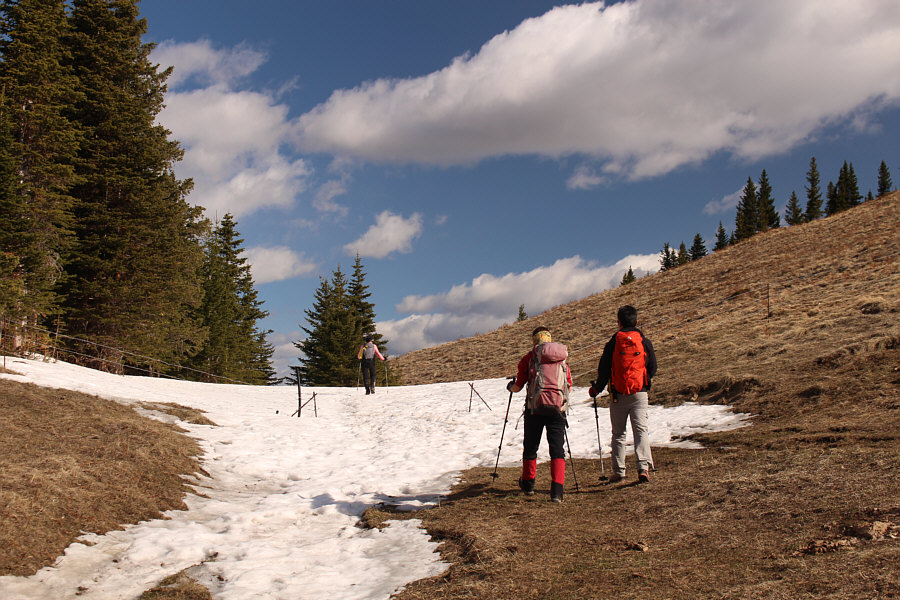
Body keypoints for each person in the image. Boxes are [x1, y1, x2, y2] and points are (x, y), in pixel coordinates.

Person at [589, 305, 658, 484]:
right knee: (640, 430)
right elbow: (653, 367)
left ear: (619, 322)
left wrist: (596, 388)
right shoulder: (643, 340)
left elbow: (604, 369)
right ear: (636, 321)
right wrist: (645, 379)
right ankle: (643, 467)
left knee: (619, 433)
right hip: (639, 392)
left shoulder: (614, 342)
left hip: (618, 394)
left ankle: (619, 472)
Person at [507, 326, 572, 502]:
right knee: (557, 448)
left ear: (535, 340)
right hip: (557, 410)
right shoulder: (561, 359)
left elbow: (518, 386)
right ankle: (557, 491)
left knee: (531, 446)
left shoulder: (529, 358)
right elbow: (569, 384)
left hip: (534, 409)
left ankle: (528, 485)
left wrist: (510, 387)